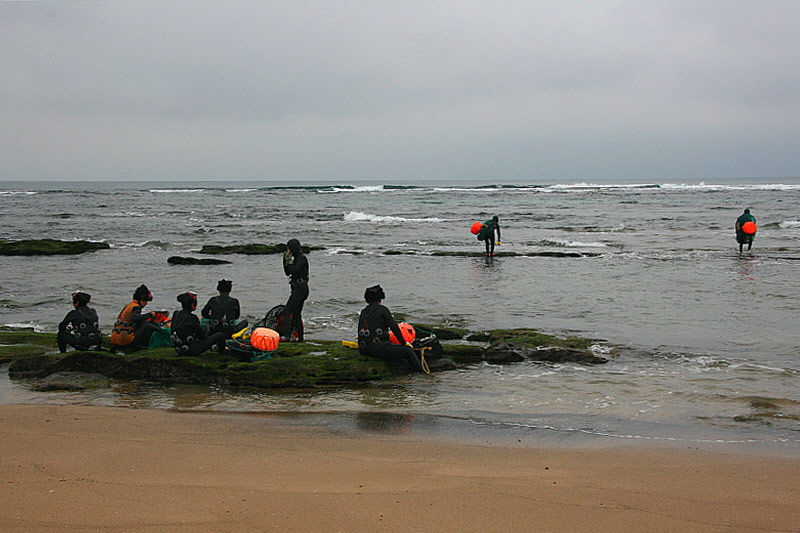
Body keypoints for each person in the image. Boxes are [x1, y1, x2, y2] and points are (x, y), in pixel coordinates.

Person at [357, 285, 424, 372]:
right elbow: (394, 327)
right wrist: (404, 343)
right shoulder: (383, 310)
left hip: (363, 348)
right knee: (408, 351)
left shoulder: (364, 311)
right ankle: (422, 374)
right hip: (376, 348)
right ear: (380, 299)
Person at [171, 292, 226, 357]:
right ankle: (223, 351)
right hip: (192, 351)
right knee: (220, 335)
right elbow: (202, 336)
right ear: (192, 304)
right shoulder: (192, 317)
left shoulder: (176, 313)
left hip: (179, 349)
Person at [201, 279, 248, 353]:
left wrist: (212, 317)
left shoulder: (213, 300)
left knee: (206, 323)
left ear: (218, 289)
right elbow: (237, 316)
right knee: (245, 322)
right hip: (230, 331)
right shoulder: (235, 301)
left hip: (215, 331)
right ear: (230, 290)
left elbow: (204, 313)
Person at [110, 284, 160, 352]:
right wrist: (150, 314)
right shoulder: (136, 307)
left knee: (146, 323)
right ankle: (140, 346)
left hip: (115, 340)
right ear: (142, 299)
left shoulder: (129, 306)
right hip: (125, 341)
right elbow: (135, 318)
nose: (146, 304)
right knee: (147, 325)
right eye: (146, 301)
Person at [281, 238, 309, 341]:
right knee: (296, 314)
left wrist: (289, 262)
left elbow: (295, 272)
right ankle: (300, 338)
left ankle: (286, 335)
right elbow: (287, 272)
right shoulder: (296, 258)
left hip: (301, 289)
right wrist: (285, 261)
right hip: (298, 288)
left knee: (288, 311)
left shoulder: (302, 258)